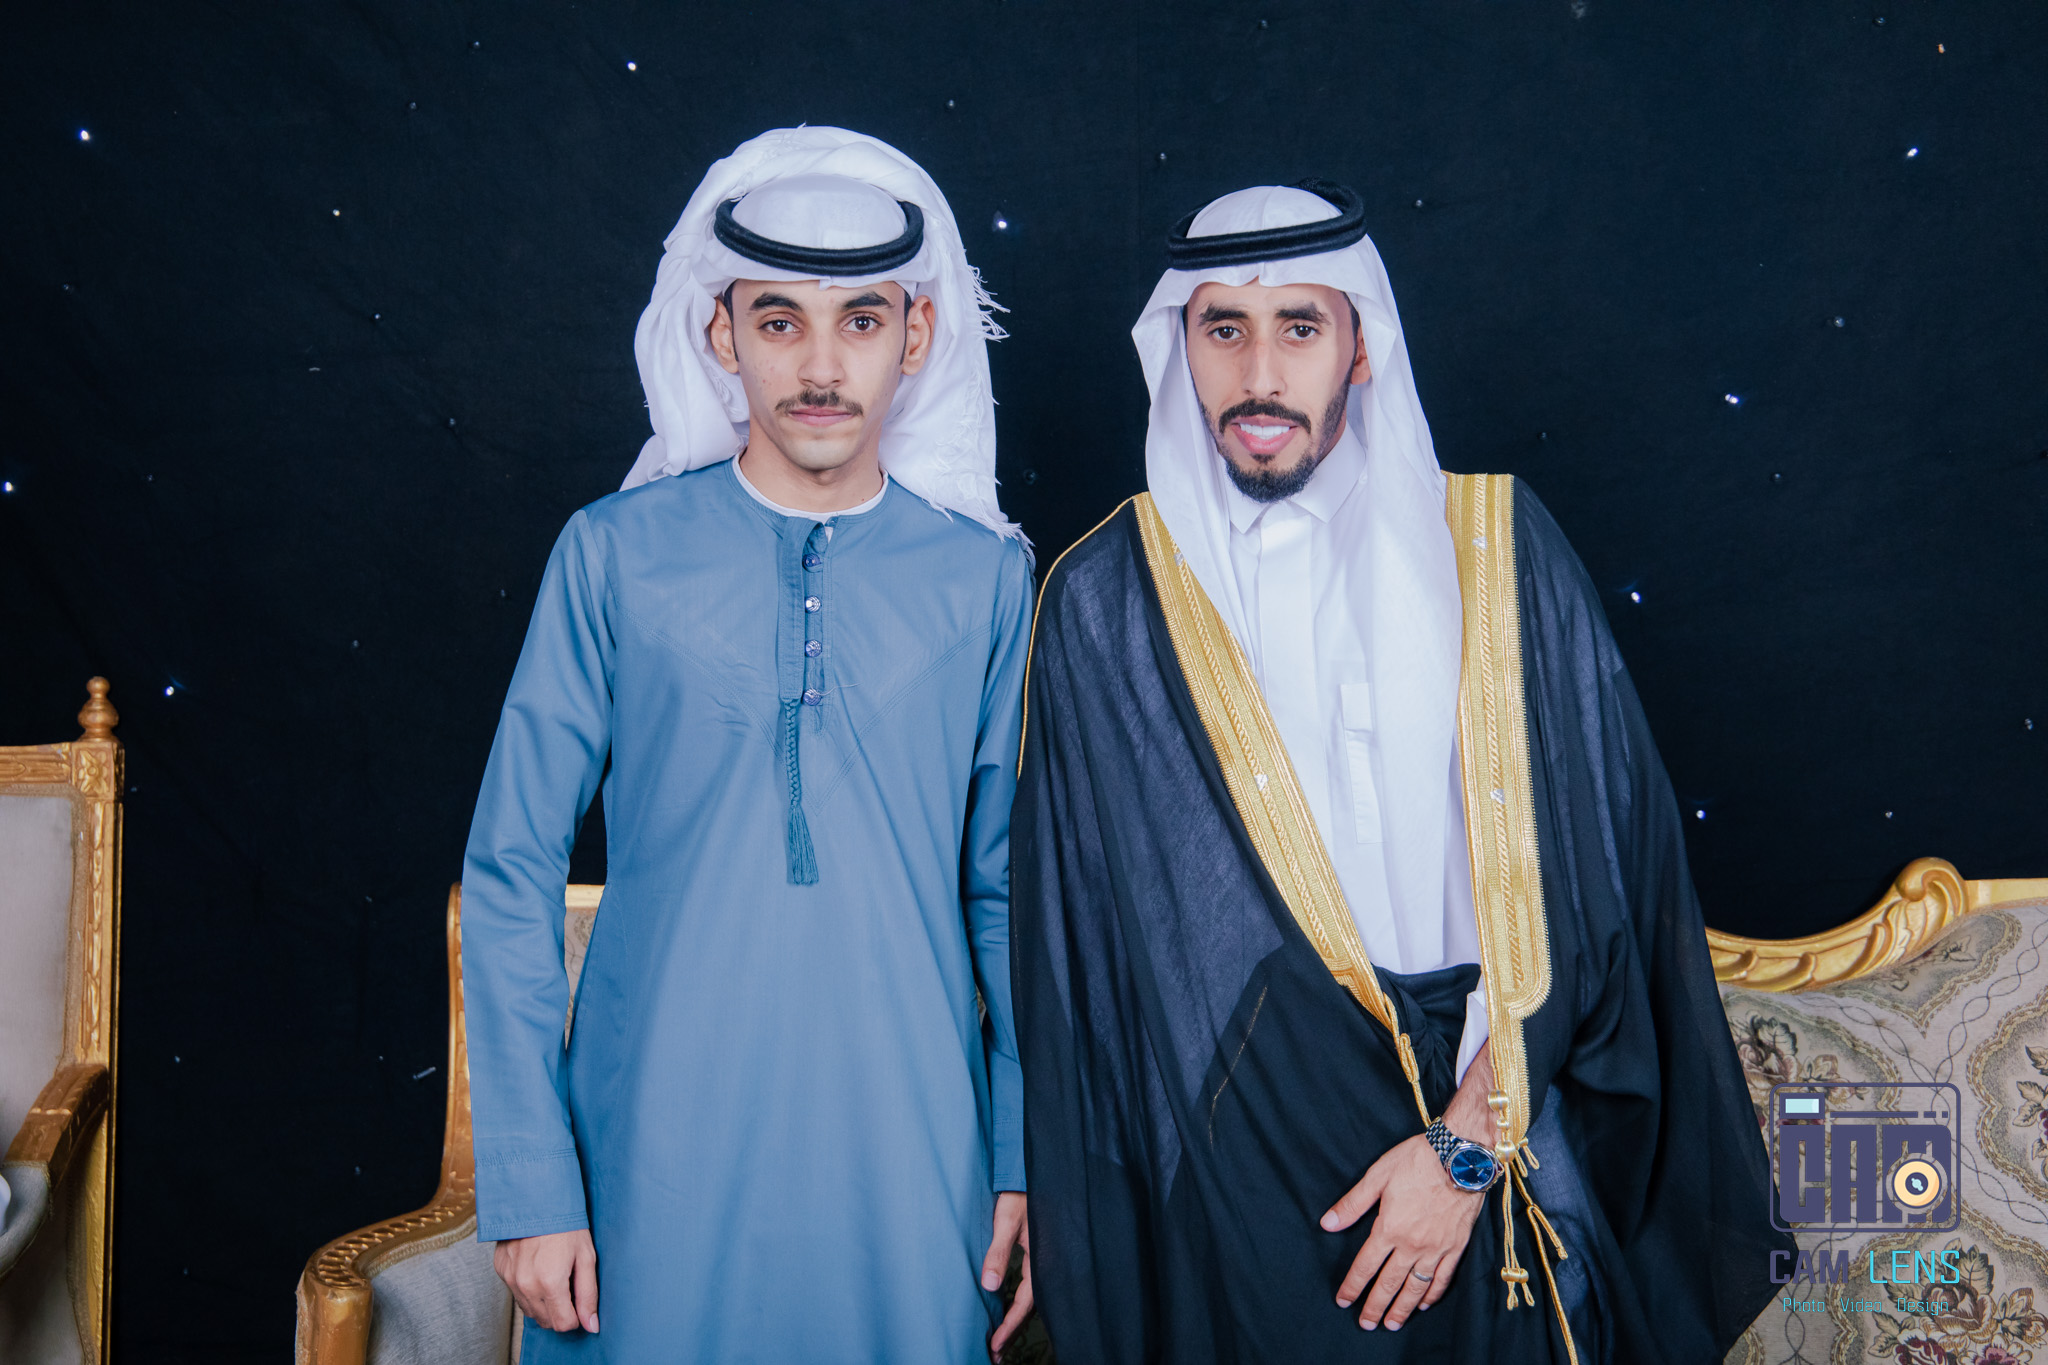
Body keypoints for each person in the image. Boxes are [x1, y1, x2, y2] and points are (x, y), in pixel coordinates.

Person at [1010, 181, 1790, 1363]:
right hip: (1241, 1172)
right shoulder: (1105, 598)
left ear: (1361, 346)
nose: (1258, 374)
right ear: (1178, 347)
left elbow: (1600, 887)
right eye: (1222, 329)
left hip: (1490, 1126)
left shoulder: (1496, 548)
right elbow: (1089, 970)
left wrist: (1464, 1151)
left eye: (1299, 328)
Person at [460, 127, 1036, 1363]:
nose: (820, 367)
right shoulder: (612, 554)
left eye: (860, 322)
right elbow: (510, 871)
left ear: (916, 338)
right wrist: (528, 1179)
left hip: (911, 1158)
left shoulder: (983, 580)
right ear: (720, 336)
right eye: (779, 322)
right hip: (647, 1157)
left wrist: (1021, 1155)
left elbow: (1006, 897)